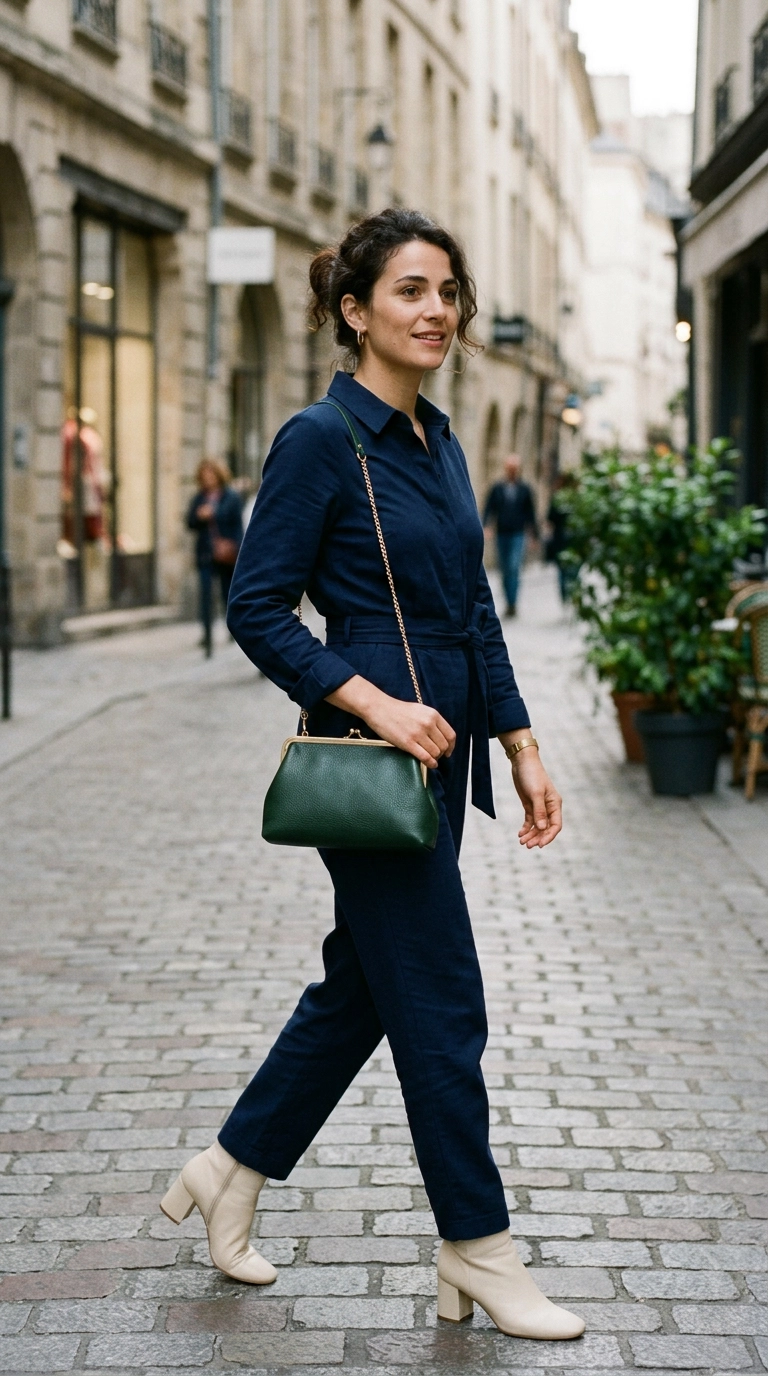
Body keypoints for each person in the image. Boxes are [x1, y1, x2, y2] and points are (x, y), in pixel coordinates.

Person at [160, 209, 584, 1343]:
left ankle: (229, 1166)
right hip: (369, 756)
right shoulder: (318, 438)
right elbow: (258, 605)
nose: (436, 308)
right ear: (355, 311)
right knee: (442, 999)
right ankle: (478, 1246)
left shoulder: (440, 441)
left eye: (448, 289)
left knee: (365, 987)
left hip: (441, 762)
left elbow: (475, 610)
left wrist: (523, 743)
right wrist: (373, 699)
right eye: (409, 290)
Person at [187, 460, 244, 656]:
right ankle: (207, 636)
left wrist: (214, 513)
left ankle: (233, 628)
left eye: (211, 474)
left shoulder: (231, 496)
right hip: (205, 554)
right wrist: (198, 516)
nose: (208, 479)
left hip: (226, 554)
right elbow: (190, 522)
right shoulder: (199, 498)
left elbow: (237, 524)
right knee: (205, 595)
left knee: (227, 594)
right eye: (204, 475)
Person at [483, 454, 539, 616]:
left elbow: (531, 513)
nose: (512, 471)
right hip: (502, 533)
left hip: (518, 534)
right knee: (505, 568)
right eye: (510, 468)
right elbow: (489, 508)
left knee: (514, 567)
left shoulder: (525, 489)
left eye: (515, 468)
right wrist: (486, 525)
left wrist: (534, 535)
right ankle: (508, 600)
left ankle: (513, 602)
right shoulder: (497, 488)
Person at [546, 472, 579, 603]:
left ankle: (566, 594)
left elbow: (550, 518)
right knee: (572, 569)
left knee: (563, 570)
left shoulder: (558, 498)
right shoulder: (576, 498)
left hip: (561, 539)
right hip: (571, 540)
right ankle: (571, 593)